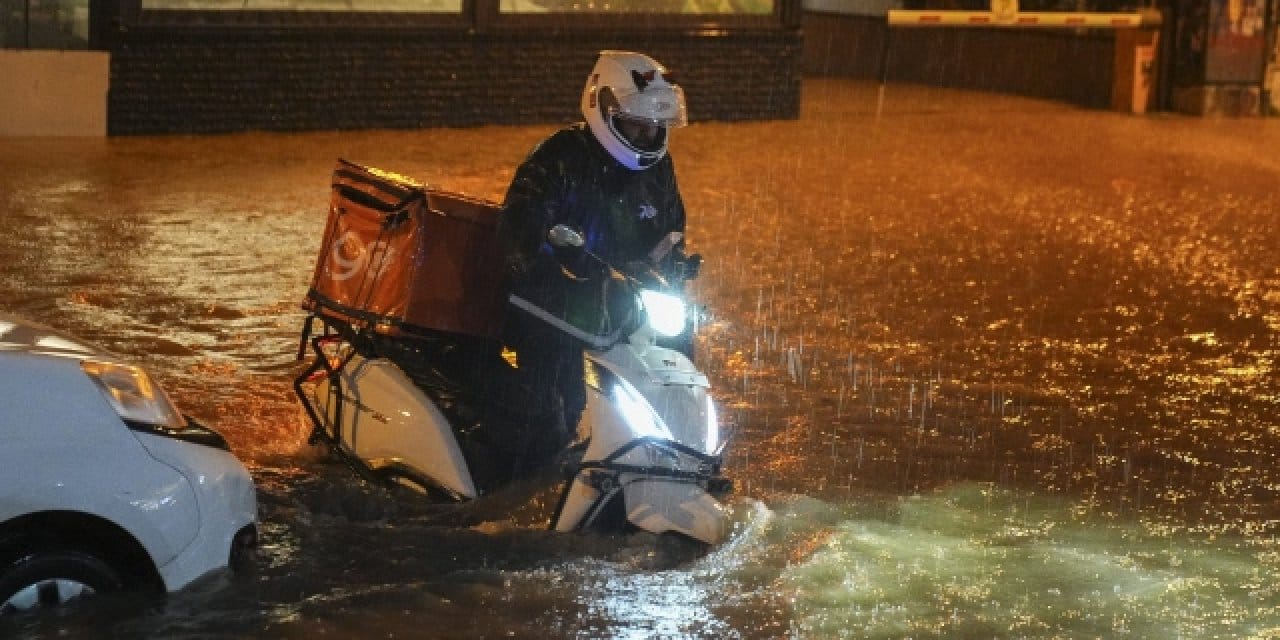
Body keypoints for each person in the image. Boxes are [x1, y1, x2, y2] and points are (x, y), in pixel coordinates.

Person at [495, 50, 700, 458]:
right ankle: (539, 471)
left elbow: (670, 234)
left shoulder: (658, 171)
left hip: (625, 304)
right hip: (557, 307)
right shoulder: (560, 156)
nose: (646, 138)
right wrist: (565, 266)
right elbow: (519, 232)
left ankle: (681, 448)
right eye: (636, 127)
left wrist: (673, 271)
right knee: (558, 403)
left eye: (654, 128)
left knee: (679, 347)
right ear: (603, 108)